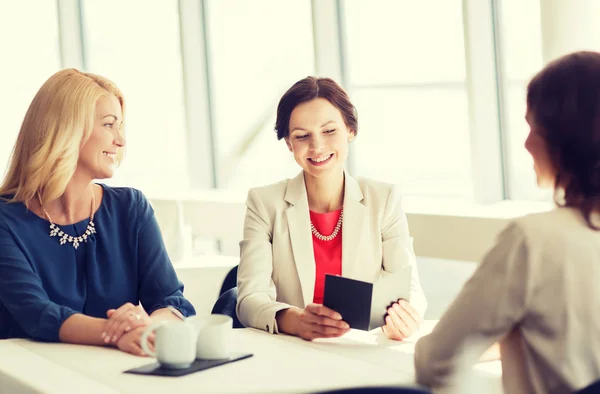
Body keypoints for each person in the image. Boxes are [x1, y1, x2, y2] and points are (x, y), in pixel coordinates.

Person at [414, 51, 600, 393]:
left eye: (533, 127)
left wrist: (497, 340)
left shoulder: (534, 240)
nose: (526, 142)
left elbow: (435, 361)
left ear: (564, 140)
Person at [0, 69, 195, 356]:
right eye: (108, 125)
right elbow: (37, 314)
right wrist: (116, 333)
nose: (121, 140)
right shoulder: (7, 220)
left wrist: (147, 328)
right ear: (67, 129)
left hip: (115, 375)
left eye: (120, 126)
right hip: (32, 375)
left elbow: (172, 302)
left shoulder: (131, 208)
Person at [236, 76, 427, 341]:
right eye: (302, 136)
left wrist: (404, 317)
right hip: (294, 347)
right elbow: (248, 300)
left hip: (359, 348)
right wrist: (296, 320)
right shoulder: (263, 203)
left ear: (350, 130)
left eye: (329, 131)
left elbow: (410, 288)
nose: (317, 147)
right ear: (289, 144)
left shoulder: (383, 199)